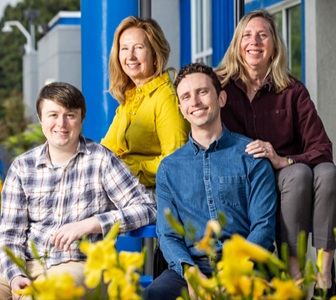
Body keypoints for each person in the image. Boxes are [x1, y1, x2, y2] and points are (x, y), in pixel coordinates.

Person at [216, 9, 336, 296]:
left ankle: (324, 274)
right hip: (248, 179)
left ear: (274, 47)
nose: (254, 41)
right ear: (237, 44)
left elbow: (323, 148)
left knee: (328, 172)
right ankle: (294, 270)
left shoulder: (292, 90)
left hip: (288, 174)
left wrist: (283, 159)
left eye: (262, 35)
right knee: (298, 174)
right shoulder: (220, 87)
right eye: (246, 35)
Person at [0, 82, 157, 300]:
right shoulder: (22, 167)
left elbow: (147, 208)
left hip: (78, 265)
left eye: (70, 115)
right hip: (25, 264)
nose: (61, 123)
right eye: (53, 115)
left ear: (81, 118)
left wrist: (92, 224)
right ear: (40, 119)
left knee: (42, 297)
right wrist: (15, 274)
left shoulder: (101, 159)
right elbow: (9, 235)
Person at [144, 63, 277, 300]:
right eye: (186, 96)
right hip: (191, 266)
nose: (194, 101)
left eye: (202, 92)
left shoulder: (252, 156)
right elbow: (168, 234)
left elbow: (263, 227)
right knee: (152, 295)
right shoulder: (169, 168)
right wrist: (190, 272)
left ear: (221, 98)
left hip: (246, 264)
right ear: (181, 108)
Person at [101, 16, 189, 189]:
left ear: (155, 54)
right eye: (124, 48)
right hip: (125, 187)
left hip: (153, 194)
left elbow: (175, 160)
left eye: (138, 48)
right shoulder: (131, 97)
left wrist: (128, 170)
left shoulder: (166, 97)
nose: (130, 56)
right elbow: (106, 150)